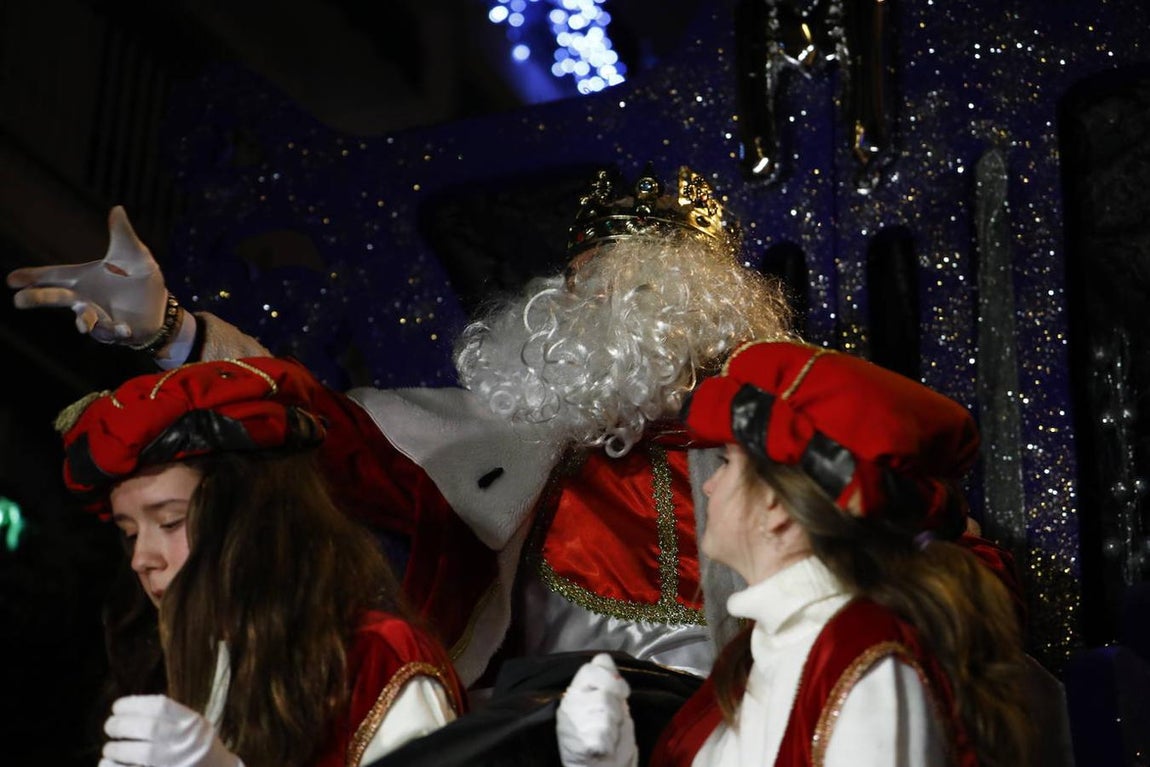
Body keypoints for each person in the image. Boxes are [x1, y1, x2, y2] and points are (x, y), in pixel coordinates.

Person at [9, 166, 795, 693]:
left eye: (654, 288)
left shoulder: (784, 463)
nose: (624, 311)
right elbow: (323, 428)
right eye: (596, 286)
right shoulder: (510, 443)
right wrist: (173, 334)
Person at [556, 340, 1038, 766]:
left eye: (726, 463)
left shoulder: (863, 659)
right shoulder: (755, 654)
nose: (708, 484)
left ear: (776, 506)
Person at [55, 357, 465, 767]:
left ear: (255, 522)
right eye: (130, 532)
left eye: (170, 521)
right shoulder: (171, 673)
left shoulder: (373, 657)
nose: (142, 559)